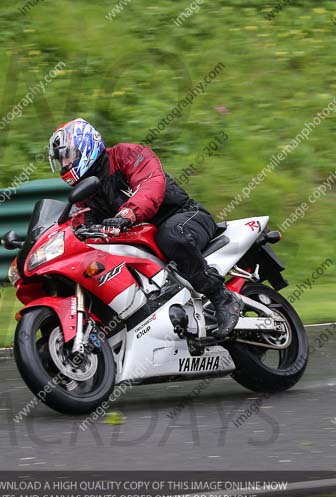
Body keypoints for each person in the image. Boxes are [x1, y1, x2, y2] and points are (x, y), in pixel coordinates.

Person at [47, 117, 242, 337]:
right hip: (143, 238)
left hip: (183, 215)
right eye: (61, 160)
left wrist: (128, 213)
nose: (64, 165)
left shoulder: (127, 154)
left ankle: (222, 297)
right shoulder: (86, 192)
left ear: (85, 145)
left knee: (171, 236)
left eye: (67, 156)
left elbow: (151, 185)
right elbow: (79, 218)